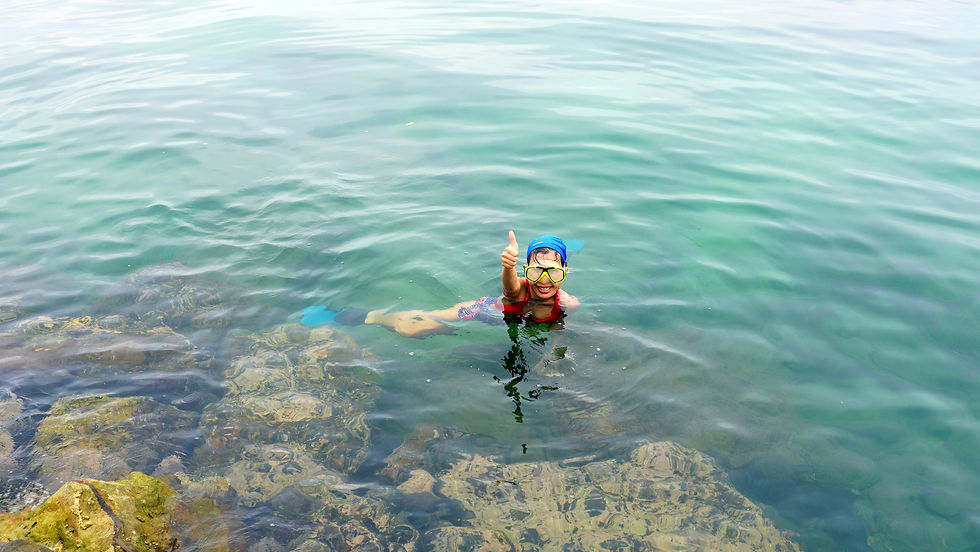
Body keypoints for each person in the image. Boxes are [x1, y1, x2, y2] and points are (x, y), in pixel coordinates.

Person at [300, 232, 579, 337]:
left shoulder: (567, 304)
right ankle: (355, 315)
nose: (544, 281)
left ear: (565, 272)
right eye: (536, 273)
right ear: (526, 272)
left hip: (515, 324)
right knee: (416, 326)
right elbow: (509, 290)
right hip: (486, 311)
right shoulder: (519, 287)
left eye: (553, 273)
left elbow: (557, 328)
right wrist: (507, 266)